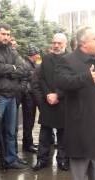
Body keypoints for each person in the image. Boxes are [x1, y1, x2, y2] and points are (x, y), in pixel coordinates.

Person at [55, 26, 95, 180]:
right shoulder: (68, 60)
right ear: (83, 43)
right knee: (81, 165)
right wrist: (86, 78)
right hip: (81, 124)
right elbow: (62, 82)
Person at [0, 23, 28, 169]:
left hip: (12, 96)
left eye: (8, 34)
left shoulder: (11, 50)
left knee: (11, 131)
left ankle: (10, 159)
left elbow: (23, 68)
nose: (6, 37)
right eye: (3, 34)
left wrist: (10, 69)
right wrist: (13, 68)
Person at [32, 33, 70, 171]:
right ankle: (42, 160)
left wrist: (58, 95)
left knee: (63, 134)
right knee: (44, 134)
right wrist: (48, 94)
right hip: (48, 102)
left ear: (65, 44)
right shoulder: (46, 59)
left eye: (59, 43)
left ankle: (63, 160)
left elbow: (71, 81)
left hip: (64, 101)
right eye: (54, 42)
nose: (56, 45)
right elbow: (42, 79)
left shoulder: (70, 59)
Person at [20, 45, 41, 153]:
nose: (39, 55)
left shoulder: (31, 64)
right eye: (38, 53)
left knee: (31, 121)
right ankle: (27, 144)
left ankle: (29, 143)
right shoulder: (26, 65)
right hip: (28, 97)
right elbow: (24, 81)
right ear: (33, 54)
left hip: (31, 96)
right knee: (28, 121)